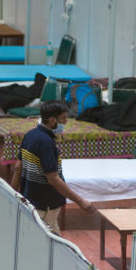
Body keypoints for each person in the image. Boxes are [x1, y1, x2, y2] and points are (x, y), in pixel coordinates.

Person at [10, 100, 93, 234]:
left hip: (30, 200)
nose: (65, 122)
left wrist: (12, 193)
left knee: (55, 241)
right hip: (45, 205)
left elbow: (18, 167)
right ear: (52, 120)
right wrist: (81, 201)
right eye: (63, 119)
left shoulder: (30, 135)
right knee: (46, 244)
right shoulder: (46, 143)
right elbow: (53, 178)